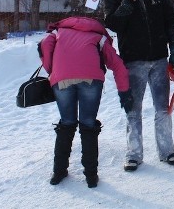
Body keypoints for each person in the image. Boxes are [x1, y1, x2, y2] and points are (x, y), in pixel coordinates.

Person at [104, 0, 174, 172]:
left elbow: (171, 21)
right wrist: (129, 1)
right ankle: (133, 154)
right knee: (133, 110)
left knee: (162, 109)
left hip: (159, 58)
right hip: (133, 61)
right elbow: (113, 24)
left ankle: (167, 151)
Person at [39, 16, 133, 188]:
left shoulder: (58, 31)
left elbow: (45, 44)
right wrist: (124, 92)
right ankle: (91, 176)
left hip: (62, 79)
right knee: (88, 124)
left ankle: (58, 172)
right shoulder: (98, 35)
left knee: (67, 123)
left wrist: (52, 69)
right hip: (91, 79)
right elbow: (118, 65)